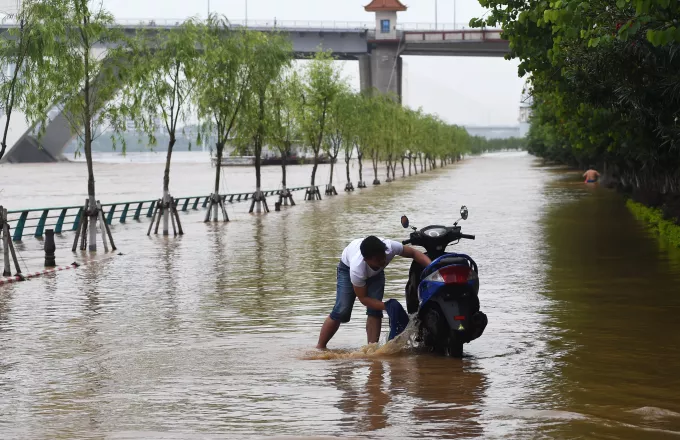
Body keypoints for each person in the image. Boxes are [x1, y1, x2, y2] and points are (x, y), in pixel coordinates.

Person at [316, 235, 431, 349]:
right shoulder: (357, 269)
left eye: (383, 257)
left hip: (376, 273)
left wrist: (432, 267)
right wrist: (387, 306)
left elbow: (415, 254)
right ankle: (320, 347)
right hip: (347, 268)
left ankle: (371, 349)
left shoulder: (390, 247)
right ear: (366, 259)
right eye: (378, 260)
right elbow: (363, 298)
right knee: (341, 311)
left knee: (375, 311)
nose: (382, 261)